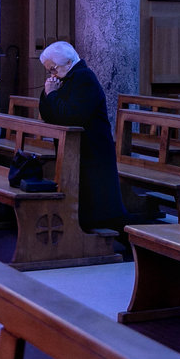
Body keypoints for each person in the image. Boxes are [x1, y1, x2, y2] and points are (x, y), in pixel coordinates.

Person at [38, 41, 130, 232]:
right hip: (76, 148)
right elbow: (48, 114)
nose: (52, 74)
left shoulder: (84, 78)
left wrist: (52, 94)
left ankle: (105, 235)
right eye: (49, 71)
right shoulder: (67, 78)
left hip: (92, 150)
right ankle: (82, 229)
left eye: (53, 69)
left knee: (99, 203)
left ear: (69, 62)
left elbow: (71, 116)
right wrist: (47, 93)